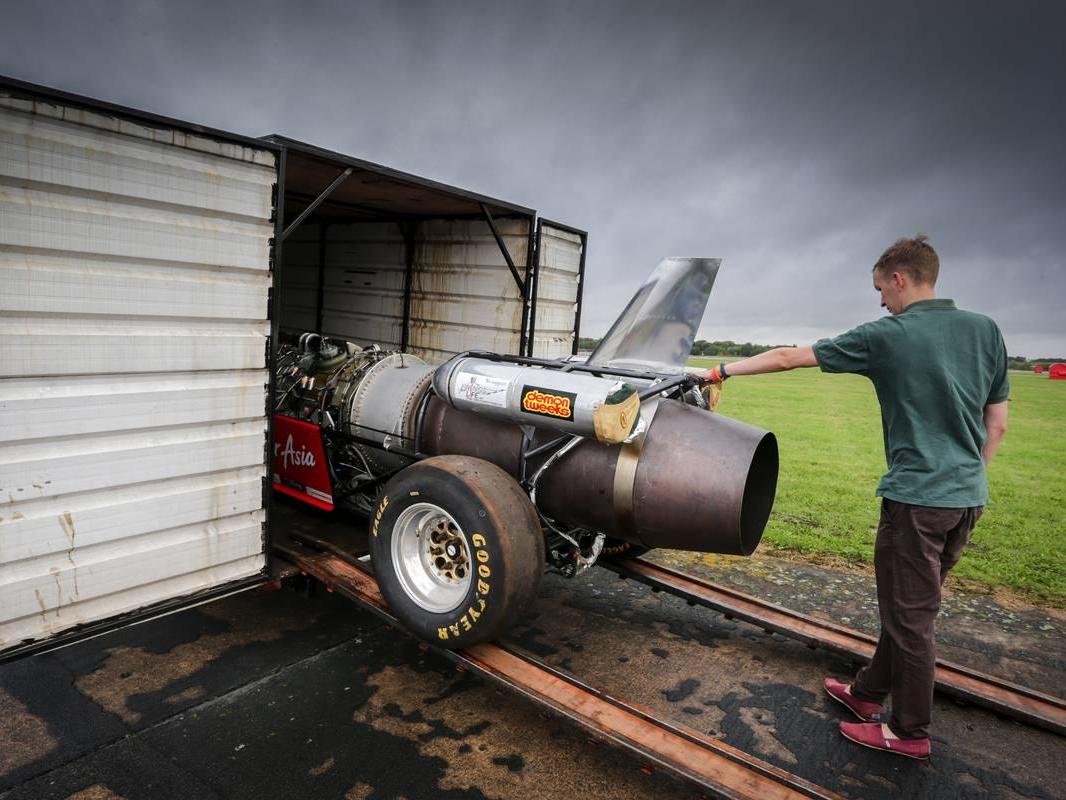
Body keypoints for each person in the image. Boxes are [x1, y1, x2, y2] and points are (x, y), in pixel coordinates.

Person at [697, 235, 1009, 759]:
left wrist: (719, 370)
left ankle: (908, 732)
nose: (880, 301)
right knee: (909, 607)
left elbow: (787, 357)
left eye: (880, 289)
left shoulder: (889, 334)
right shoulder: (986, 330)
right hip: (966, 498)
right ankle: (866, 694)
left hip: (917, 501)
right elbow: (995, 425)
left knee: (911, 619)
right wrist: (964, 481)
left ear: (899, 279)